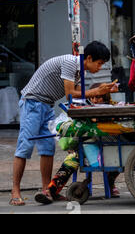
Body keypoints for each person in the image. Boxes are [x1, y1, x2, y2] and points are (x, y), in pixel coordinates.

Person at [10, 41, 117, 206]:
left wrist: (103, 90)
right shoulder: (70, 63)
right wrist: (97, 91)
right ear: (88, 58)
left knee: (48, 148)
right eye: (99, 63)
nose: (100, 67)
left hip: (47, 104)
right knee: (25, 147)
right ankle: (15, 191)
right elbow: (70, 95)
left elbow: (80, 98)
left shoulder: (81, 71)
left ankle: (48, 190)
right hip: (32, 102)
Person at [34, 83, 120, 204]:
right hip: (88, 150)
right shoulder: (85, 110)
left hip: (110, 149)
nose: (95, 100)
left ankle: (110, 184)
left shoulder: (113, 109)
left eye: (99, 97)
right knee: (71, 159)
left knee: (122, 157)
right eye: (93, 97)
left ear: (105, 98)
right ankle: (50, 191)